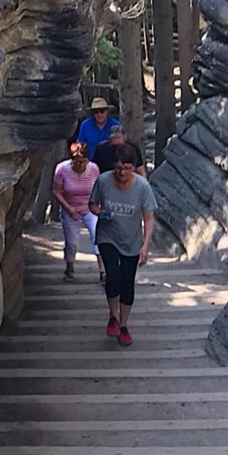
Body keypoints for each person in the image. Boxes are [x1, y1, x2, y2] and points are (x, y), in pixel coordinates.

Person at [91, 141, 156, 346]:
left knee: (128, 282)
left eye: (127, 168)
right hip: (107, 236)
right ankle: (113, 315)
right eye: (118, 168)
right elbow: (92, 204)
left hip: (131, 240)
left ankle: (124, 324)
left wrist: (145, 246)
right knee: (113, 275)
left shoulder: (142, 187)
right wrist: (101, 212)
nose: (122, 172)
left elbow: (148, 218)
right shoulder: (103, 181)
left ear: (133, 167)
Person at [52, 140, 100, 281]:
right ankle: (70, 266)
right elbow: (56, 191)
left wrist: (99, 205)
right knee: (72, 242)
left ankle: (103, 271)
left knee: (98, 237)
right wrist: (68, 208)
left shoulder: (94, 169)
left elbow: (99, 188)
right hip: (70, 207)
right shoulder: (62, 169)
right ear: (72, 160)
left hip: (90, 207)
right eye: (78, 162)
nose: (81, 165)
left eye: (84, 162)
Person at [75, 97, 125, 173]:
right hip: (90, 166)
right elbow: (79, 146)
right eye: (96, 112)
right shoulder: (85, 125)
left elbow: (121, 146)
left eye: (102, 111)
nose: (99, 114)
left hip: (111, 166)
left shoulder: (115, 125)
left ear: (107, 111)